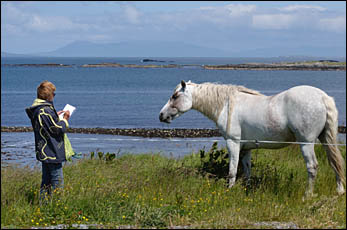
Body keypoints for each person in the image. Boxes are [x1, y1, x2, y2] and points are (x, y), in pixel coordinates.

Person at [26, 80, 74, 201]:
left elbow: (47, 125)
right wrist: (65, 119)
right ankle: (57, 207)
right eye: (54, 93)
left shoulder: (38, 109)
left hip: (43, 150)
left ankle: (44, 205)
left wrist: (55, 117)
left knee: (46, 181)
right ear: (48, 95)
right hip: (52, 150)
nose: (54, 96)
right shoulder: (45, 110)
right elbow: (57, 129)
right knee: (57, 181)